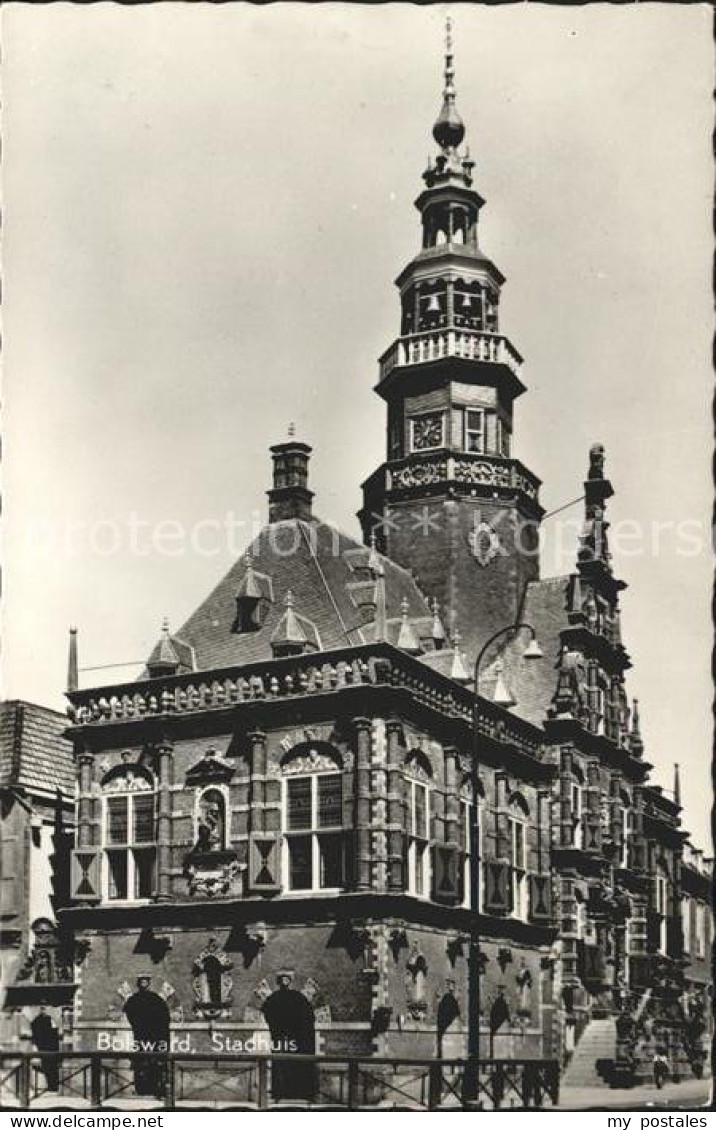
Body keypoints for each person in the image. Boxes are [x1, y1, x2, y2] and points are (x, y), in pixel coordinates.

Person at [123, 977, 170, 1098]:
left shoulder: (155, 998)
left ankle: (157, 1089)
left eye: (145, 982)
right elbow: (129, 1013)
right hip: (140, 1034)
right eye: (141, 982)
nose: (144, 985)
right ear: (138, 985)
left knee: (154, 1063)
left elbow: (164, 1017)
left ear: (149, 984)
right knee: (141, 1062)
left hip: (154, 1035)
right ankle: (142, 1088)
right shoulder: (134, 999)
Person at [30, 1008, 60, 1092]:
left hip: (43, 1047)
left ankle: (51, 1086)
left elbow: (34, 1035)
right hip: (51, 1047)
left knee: (47, 1067)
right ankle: (53, 1086)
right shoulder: (49, 1020)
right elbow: (55, 1033)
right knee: (52, 1067)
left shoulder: (35, 1021)